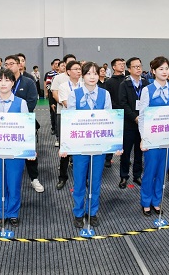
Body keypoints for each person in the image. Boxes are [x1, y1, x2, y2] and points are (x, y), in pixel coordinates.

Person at [63, 62, 113, 228]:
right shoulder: (74, 94)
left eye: (95, 73)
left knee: (95, 181)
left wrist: (113, 144)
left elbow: (110, 119)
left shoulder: (105, 94)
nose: (92, 77)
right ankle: (78, 212)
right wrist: (65, 145)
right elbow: (69, 121)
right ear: (82, 76)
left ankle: (92, 211)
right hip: (80, 146)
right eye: (88, 73)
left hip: (99, 145)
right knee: (79, 181)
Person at [138, 57, 169, 216]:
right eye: (161, 69)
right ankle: (146, 202)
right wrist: (143, 138)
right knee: (150, 171)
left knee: (162, 171)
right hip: (152, 138)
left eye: (166, 68)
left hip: (168, 137)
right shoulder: (147, 90)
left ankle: (156, 201)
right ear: (153, 71)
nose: (165, 72)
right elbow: (142, 116)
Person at [0, 69, 30, 227]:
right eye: (0, 80)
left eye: (7, 80)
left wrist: (29, 149)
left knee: (14, 183)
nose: (3, 83)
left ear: (13, 83)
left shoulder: (21, 103)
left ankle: (13, 212)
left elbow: (26, 128)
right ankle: (2, 212)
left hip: (15, 151)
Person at [3, 55, 44, 192]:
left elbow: (32, 102)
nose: (9, 66)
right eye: (6, 64)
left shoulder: (28, 82)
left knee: (28, 151)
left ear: (19, 64)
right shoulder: (3, 82)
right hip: (6, 124)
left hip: (24, 123)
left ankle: (34, 178)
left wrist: (17, 117)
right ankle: (4, 179)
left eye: (11, 63)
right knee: (6, 150)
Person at [118, 57, 148, 188]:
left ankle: (137, 175)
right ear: (129, 69)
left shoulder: (146, 83)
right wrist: (135, 118)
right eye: (135, 66)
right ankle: (124, 176)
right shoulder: (124, 84)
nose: (138, 68)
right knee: (126, 152)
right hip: (129, 124)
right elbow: (123, 104)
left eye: (140, 66)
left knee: (139, 152)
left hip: (143, 124)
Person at [55, 59, 82, 189]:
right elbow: (66, 103)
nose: (78, 71)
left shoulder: (85, 84)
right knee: (65, 150)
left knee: (81, 150)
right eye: (75, 69)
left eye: (79, 69)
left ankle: (82, 178)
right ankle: (62, 177)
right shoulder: (64, 86)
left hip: (83, 122)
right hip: (68, 121)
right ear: (68, 72)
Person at [103, 57, 126, 168]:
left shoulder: (127, 80)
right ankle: (108, 158)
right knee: (112, 135)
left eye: (123, 64)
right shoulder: (109, 82)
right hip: (114, 111)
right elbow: (108, 98)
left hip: (127, 111)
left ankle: (124, 158)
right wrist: (116, 108)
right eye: (120, 64)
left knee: (126, 137)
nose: (122, 65)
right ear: (114, 67)